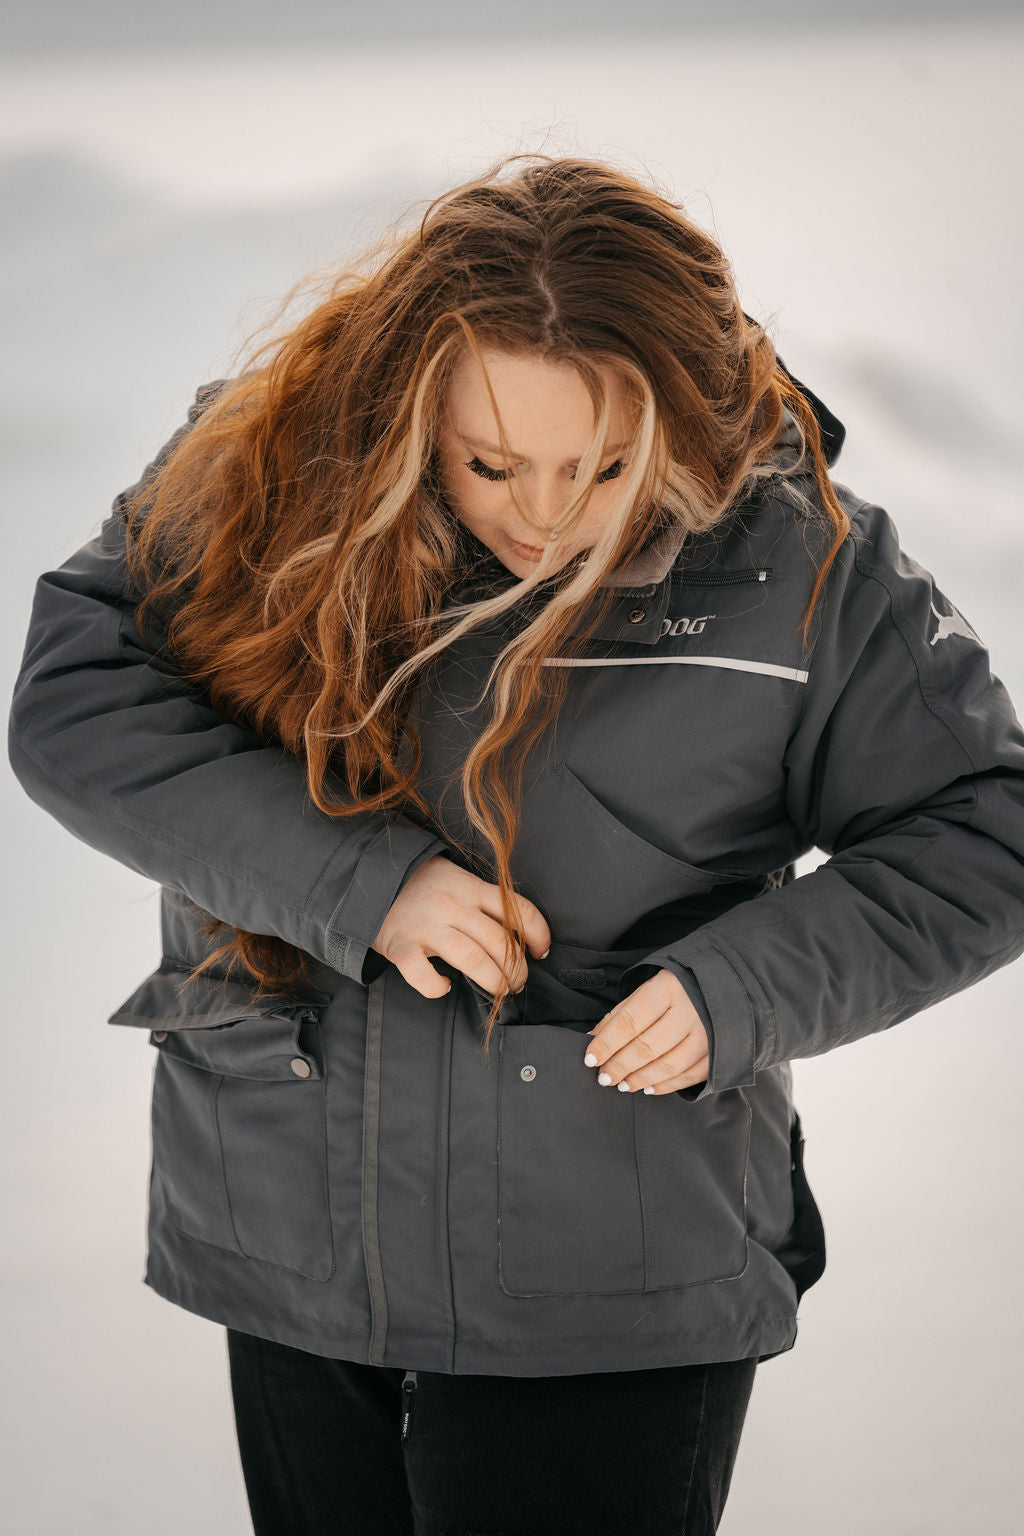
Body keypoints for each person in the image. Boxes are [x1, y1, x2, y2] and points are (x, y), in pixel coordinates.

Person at [8, 151, 1024, 1536]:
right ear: (409, 405)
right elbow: (77, 699)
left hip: (606, 1263)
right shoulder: (266, 471)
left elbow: (985, 823)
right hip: (295, 1230)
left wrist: (741, 989)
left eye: (603, 468)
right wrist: (357, 886)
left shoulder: (798, 562)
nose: (543, 516)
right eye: (489, 463)